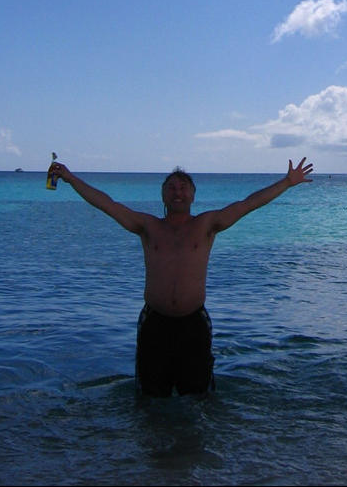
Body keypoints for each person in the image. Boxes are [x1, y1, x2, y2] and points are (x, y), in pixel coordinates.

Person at [48, 157, 313, 396]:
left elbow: (248, 204)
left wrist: (287, 182)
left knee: (199, 396)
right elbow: (107, 204)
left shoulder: (206, 224)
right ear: (163, 196)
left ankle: (193, 437)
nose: (178, 192)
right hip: (154, 322)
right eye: (172, 188)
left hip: (194, 323)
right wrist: (70, 179)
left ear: (193, 196)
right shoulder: (148, 226)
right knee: (150, 396)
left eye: (184, 187)